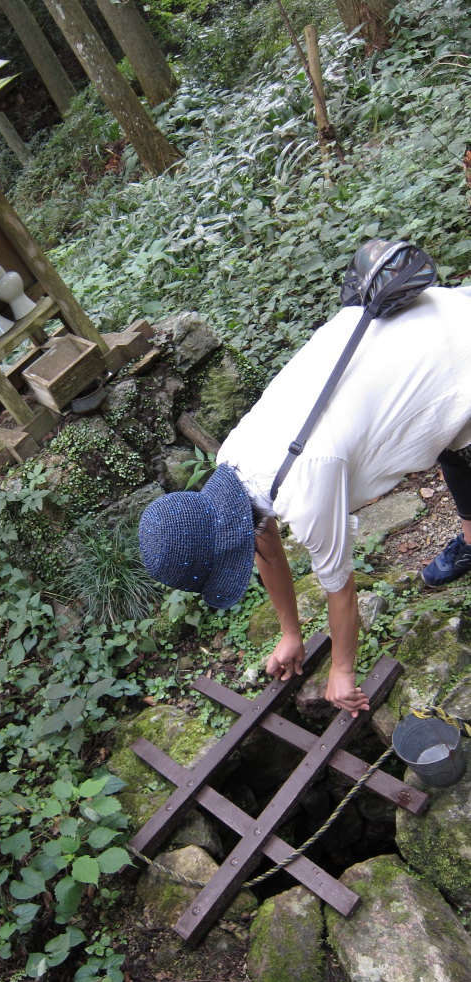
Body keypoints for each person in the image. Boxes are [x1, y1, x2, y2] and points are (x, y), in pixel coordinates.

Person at [139, 278, 471, 716]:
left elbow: (342, 591)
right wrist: (290, 632)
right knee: (457, 445)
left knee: (460, 434)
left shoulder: (306, 485)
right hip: (420, 330)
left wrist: (342, 670)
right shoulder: (237, 461)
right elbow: (263, 540)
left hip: (454, 355)